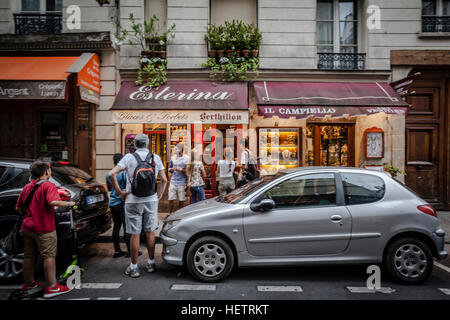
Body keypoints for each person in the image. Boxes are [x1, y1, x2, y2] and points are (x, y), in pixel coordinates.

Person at [109, 134, 168, 278]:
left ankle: (134, 267)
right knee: (150, 232)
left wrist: (120, 192)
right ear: (147, 144)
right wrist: (159, 195)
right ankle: (151, 263)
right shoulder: (155, 158)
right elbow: (164, 179)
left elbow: (112, 174)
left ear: (135, 144)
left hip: (132, 200)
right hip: (151, 200)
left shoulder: (128, 158)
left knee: (134, 233)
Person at [16, 161, 75, 298]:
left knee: (29, 256)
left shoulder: (27, 187)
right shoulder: (49, 185)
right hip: (44, 228)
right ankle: (52, 287)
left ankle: (29, 283)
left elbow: (18, 208)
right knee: (49, 256)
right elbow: (52, 202)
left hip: (27, 227)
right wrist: (69, 203)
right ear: (47, 172)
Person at [106, 153, 131, 258]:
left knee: (116, 227)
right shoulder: (124, 174)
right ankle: (130, 251)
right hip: (122, 203)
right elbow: (127, 189)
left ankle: (117, 251)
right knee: (126, 227)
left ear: (114, 162)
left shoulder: (109, 174)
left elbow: (109, 189)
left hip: (112, 203)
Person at [168, 144, 189, 213]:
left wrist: (181, 169)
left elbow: (188, 171)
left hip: (182, 182)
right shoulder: (173, 157)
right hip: (173, 181)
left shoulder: (186, 158)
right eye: (175, 149)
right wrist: (172, 169)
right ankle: (170, 213)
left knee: (181, 199)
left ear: (181, 150)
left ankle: (180, 214)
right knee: (171, 198)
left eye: (176, 149)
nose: (175, 150)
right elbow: (169, 168)